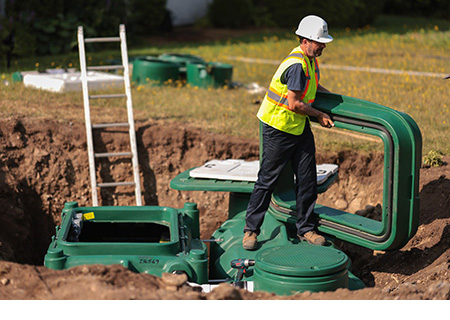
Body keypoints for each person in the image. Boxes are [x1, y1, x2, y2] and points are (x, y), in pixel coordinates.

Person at [243, 15, 335, 250]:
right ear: (305, 41)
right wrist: (319, 115)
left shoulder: (310, 60)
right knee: (267, 181)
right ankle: (251, 231)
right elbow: (294, 103)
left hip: (298, 126)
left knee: (307, 180)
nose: (323, 45)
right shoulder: (296, 65)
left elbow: (311, 87)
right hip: (279, 128)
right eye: (319, 42)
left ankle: (306, 229)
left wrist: (334, 98)